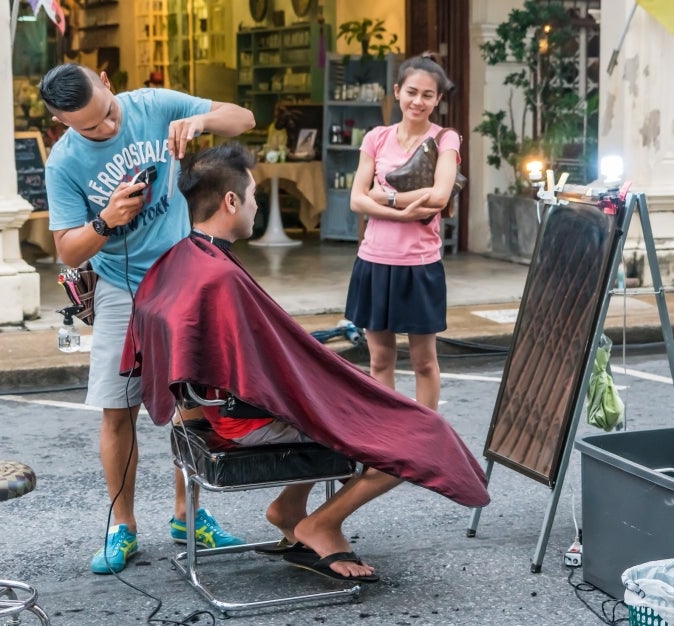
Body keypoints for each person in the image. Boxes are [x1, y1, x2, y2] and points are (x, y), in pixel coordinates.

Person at [120, 142, 489, 583]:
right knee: (420, 431)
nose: (256, 208)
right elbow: (267, 372)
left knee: (362, 402)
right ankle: (321, 524)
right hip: (246, 421)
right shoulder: (218, 277)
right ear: (231, 201)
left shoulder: (183, 259)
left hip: (224, 411)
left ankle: (291, 508)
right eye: (254, 198)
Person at [38, 63, 255, 574]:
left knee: (194, 398)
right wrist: (105, 221)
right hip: (120, 286)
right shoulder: (63, 163)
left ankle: (189, 515)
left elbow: (242, 118)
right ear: (61, 121)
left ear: (108, 85)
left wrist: (201, 122)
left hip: (185, 272)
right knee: (118, 410)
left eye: (108, 114)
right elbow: (69, 250)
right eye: (90, 127)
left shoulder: (152, 105)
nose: (107, 129)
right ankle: (123, 526)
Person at [344, 54, 461, 412]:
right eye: (411, 92)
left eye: (428, 95)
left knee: (424, 361)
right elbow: (355, 200)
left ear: (438, 100)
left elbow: (440, 196)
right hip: (374, 261)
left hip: (420, 265)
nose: (418, 101)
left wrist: (388, 197)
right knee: (380, 360)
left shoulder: (445, 138)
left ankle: (426, 440)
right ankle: (390, 440)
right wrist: (404, 211)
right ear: (397, 92)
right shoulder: (376, 138)